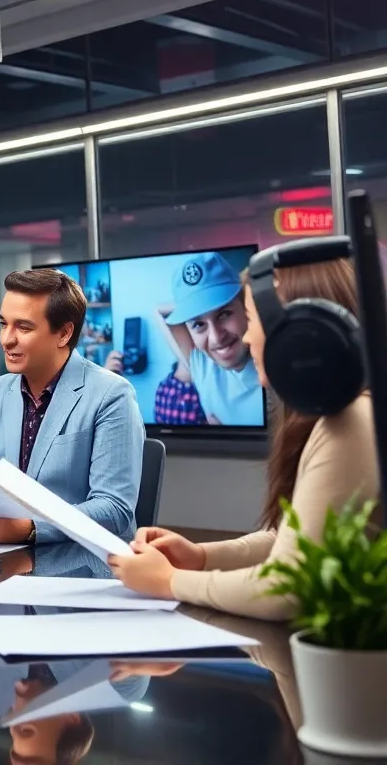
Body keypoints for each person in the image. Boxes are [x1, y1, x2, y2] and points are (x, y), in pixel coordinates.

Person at [109, 256, 381, 620]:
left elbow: (288, 586)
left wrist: (170, 581)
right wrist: (201, 556)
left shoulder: (350, 423)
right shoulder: (347, 412)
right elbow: (293, 538)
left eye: (251, 319)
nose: (249, 337)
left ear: (303, 331)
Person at [0, 269, 143, 544]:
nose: (6, 339)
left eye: (23, 327)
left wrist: (31, 528)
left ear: (64, 333)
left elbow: (114, 509)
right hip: (5, 558)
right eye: (4, 324)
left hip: (82, 562)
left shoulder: (111, 394)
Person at [107, 251, 263, 427]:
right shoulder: (202, 364)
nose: (216, 338)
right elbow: (160, 312)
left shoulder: (271, 376)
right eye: (199, 324)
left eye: (224, 314)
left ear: (246, 305)